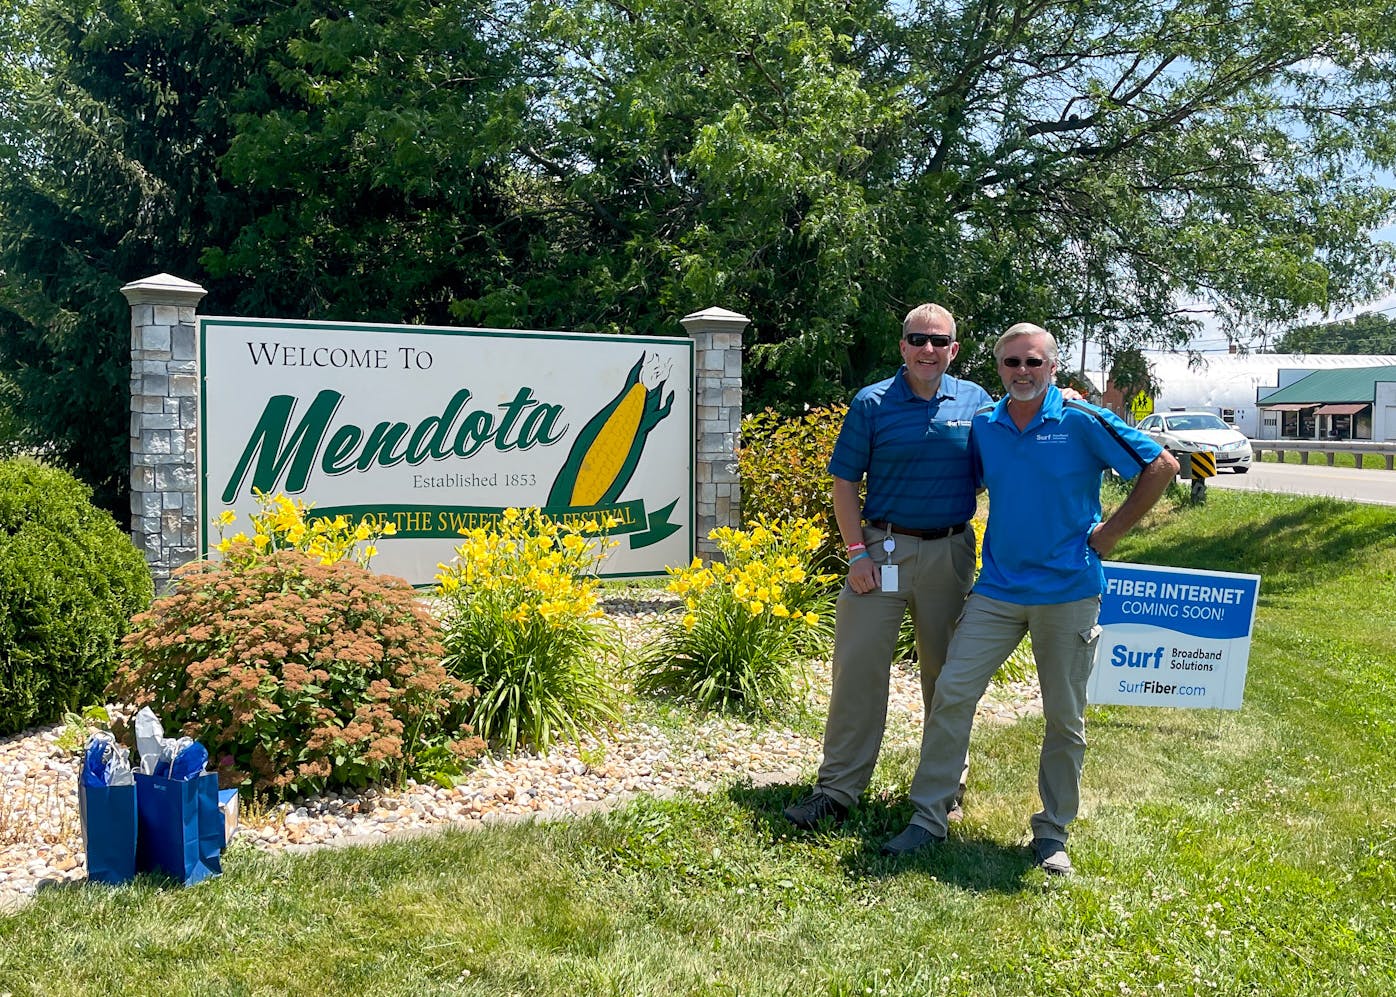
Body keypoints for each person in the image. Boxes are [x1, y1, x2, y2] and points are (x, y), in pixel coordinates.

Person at [880, 322, 1178, 874]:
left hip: (1068, 591)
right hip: (997, 589)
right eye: (1012, 362)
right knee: (951, 691)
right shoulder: (986, 426)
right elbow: (961, 481)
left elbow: (1160, 465)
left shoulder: (1082, 418)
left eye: (1033, 362)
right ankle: (928, 816)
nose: (1022, 372)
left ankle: (1052, 832)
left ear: (1052, 368)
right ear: (999, 367)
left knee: (1065, 718)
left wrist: (1109, 535)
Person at [783, 303, 992, 831]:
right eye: (917, 340)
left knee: (947, 677)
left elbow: (1010, 459)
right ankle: (837, 790)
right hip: (881, 551)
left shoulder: (976, 402)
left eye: (939, 341)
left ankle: (945, 788)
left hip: (950, 551)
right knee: (858, 670)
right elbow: (845, 484)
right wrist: (856, 553)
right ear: (902, 347)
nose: (928, 350)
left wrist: (1066, 404)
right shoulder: (871, 403)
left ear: (954, 350)